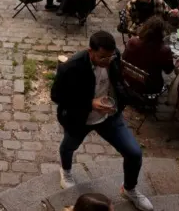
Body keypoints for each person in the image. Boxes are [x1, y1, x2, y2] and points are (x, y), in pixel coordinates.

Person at [51, 31, 154, 211]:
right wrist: (90, 103)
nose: (107, 60)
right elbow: (57, 96)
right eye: (102, 57)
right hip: (81, 119)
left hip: (109, 117)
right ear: (90, 51)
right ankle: (66, 171)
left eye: (110, 56)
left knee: (134, 153)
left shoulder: (114, 57)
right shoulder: (71, 67)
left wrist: (125, 99)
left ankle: (129, 189)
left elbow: (118, 81)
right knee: (69, 146)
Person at [122, 17, 175, 94]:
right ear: (162, 33)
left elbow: (124, 58)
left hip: (129, 80)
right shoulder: (164, 50)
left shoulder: (132, 42)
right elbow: (168, 71)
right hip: (151, 87)